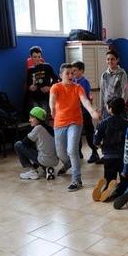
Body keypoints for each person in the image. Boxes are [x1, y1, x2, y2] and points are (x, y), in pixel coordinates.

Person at [50, 63, 100, 191]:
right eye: (67, 73)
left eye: (72, 73)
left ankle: (77, 180)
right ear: (61, 75)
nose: (71, 75)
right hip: (59, 123)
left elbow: (85, 101)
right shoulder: (55, 87)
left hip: (75, 121)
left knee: (72, 150)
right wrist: (52, 108)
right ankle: (67, 164)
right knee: (61, 152)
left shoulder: (77, 87)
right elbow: (52, 99)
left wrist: (93, 111)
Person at [92, 97, 128, 201]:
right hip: (124, 157)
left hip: (109, 157)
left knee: (109, 178)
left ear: (110, 109)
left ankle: (107, 189)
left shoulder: (103, 124)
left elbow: (95, 141)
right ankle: (122, 191)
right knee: (125, 179)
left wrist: (101, 146)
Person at [14, 107, 58, 180]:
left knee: (18, 144)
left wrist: (30, 133)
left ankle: (32, 171)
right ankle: (48, 168)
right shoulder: (49, 128)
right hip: (54, 160)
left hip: (44, 160)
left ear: (38, 119)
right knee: (39, 148)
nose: (29, 120)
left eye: (31, 118)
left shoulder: (38, 128)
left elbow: (25, 143)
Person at [71, 61, 100, 163]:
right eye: (72, 70)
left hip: (85, 112)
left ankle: (95, 152)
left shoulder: (84, 82)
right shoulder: (72, 81)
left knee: (89, 133)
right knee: (76, 133)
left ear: (81, 71)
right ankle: (78, 152)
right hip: (75, 113)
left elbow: (86, 97)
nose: (73, 72)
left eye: (75, 70)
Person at [26, 46, 58, 116]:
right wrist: (30, 87)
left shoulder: (47, 67)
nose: (37, 59)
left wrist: (49, 87)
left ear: (41, 57)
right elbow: (28, 83)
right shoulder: (30, 70)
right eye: (35, 57)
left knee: (44, 116)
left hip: (45, 97)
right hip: (34, 97)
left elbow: (56, 79)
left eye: (39, 56)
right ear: (31, 57)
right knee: (35, 117)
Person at [99, 50, 128, 119]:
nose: (110, 61)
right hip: (107, 109)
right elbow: (102, 92)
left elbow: (125, 92)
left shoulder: (122, 73)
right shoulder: (104, 75)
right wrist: (101, 108)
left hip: (118, 109)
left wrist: (121, 106)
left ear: (117, 60)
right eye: (108, 59)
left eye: (112, 59)